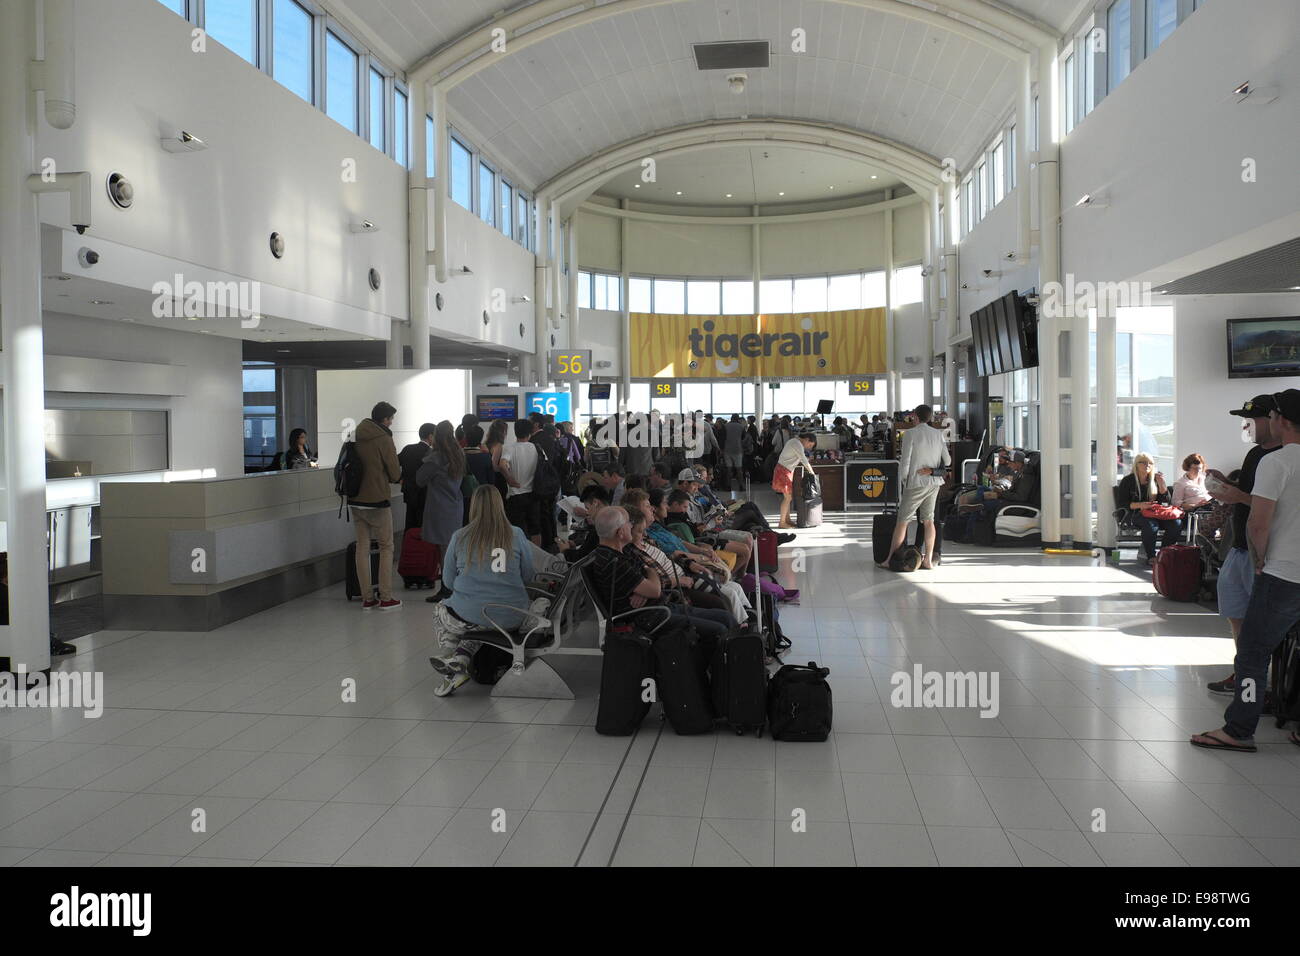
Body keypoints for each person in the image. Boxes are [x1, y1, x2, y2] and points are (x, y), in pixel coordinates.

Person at [1192, 389, 1300, 752]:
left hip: (1284, 573)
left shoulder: (1279, 462)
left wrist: (1258, 558)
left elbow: (1258, 522)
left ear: (1281, 420)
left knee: (1253, 652)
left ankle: (1239, 729)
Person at [1203, 395, 1283, 696]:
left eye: (1253, 420)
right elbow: (1249, 494)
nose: (1247, 425)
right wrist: (1228, 487)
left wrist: (1238, 497)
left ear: (1275, 421)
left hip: (1262, 551)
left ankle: (1266, 684)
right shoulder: (1254, 456)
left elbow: (1274, 506)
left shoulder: (1283, 459)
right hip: (1238, 547)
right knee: (1237, 615)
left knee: (1263, 622)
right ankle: (1243, 674)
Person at [427, 486, 538, 697]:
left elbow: (448, 582)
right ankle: (459, 658)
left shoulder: (460, 536)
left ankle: (450, 660)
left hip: (472, 615)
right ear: (500, 505)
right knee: (484, 620)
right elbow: (529, 576)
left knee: (443, 609)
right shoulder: (516, 534)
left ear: (473, 507)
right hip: (513, 616)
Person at [585, 506, 732, 644]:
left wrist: (645, 585)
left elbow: (649, 576)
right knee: (719, 630)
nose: (631, 525)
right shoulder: (614, 562)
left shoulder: (622, 550)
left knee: (725, 617)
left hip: (661, 606)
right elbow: (654, 588)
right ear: (620, 532)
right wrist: (648, 581)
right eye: (628, 523)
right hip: (650, 617)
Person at [349, 402, 403, 610]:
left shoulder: (354, 434)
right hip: (377, 499)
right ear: (385, 419)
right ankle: (386, 597)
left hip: (355, 499)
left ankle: (367, 597)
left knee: (362, 547)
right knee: (386, 546)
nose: (391, 422)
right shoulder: (384, 438)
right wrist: (397, 476)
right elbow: (394, 472)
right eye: (391, 419)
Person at [884, 404, 950, 570]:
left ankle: (890, 559)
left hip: (915, 483)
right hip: (934, 483)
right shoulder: (938, 434)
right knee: (929, 520)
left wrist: (904, 479)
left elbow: (905, 461)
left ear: (915, 416)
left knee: (903, 522)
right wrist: (933, 469)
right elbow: (947, 461)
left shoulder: (910, 434)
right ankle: (928, 560)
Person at [416, 421, 466, 562]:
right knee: (452, 548)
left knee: (443, 550)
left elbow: (420, 479)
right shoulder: (459, 454)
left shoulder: (435, 457)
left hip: (439, 507)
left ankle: (446, 581)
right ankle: (450, 580)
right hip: (456, 505)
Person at [1117, 452, 1180, 565]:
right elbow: (1122, 504)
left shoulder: (1155, 480)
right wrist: (1142, 505)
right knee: (1150, 524)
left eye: (1150, 463)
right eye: (1144, 462)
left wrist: (1162, 485)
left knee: (1176, 523)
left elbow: (1166, 502)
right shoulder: (1128, 481)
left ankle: (1164, 554)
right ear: (1136, 464)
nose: (1148, 465)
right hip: (1135, 514)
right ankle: (1151, 556)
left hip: (1154, 514)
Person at [499, 418, 542, 547]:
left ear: (515, 431)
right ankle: (536, 560)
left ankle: (517, 559)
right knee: (535, 529)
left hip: (515, 496)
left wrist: (509, 478)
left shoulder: (509, 448)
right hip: (533, 494)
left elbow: (502, 465)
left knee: (515, 531)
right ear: (530, 433)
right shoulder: (535, 447)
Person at [772, 431, 816, 529]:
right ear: (807, 439)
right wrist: (812, 473)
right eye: (810, 445)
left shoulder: (795, 442)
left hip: (785, 470)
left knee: (788, 497)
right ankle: (782, 522)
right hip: (783, 471)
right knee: (788, 498)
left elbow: (801, 458)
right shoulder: (796, 443)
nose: (809, 448)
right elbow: (803, 459)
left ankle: (787, 520)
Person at [398, 423, 437, 531]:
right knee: (423, 525)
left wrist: (400, 479)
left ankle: (408, 545)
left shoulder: (407, 449)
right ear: (430, 436)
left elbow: (394, 463)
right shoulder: (432, 453)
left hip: (409, 491)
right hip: (425, 493)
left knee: (409, 522)